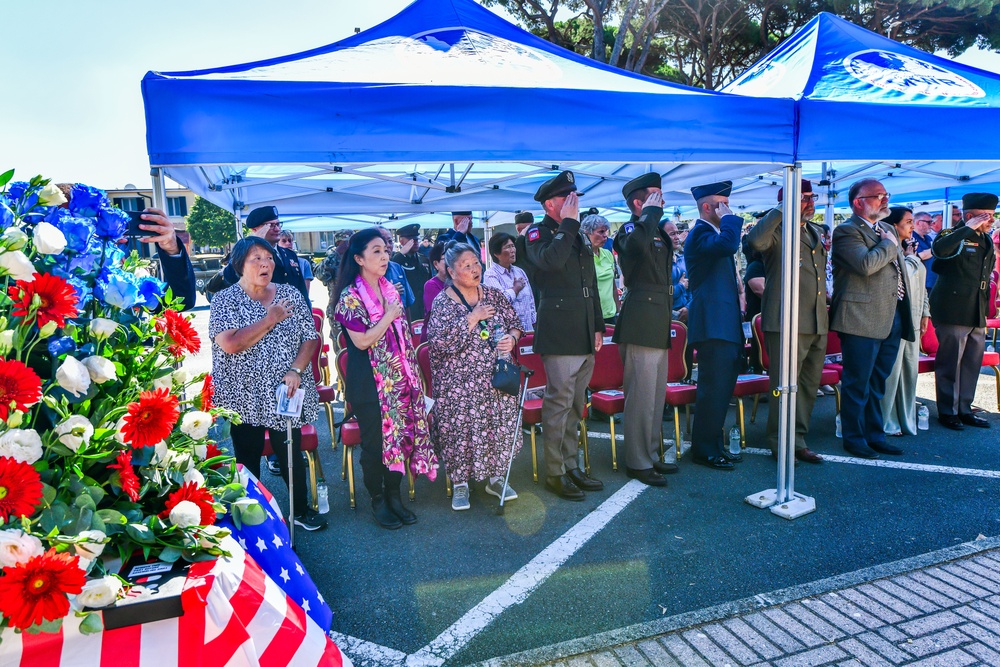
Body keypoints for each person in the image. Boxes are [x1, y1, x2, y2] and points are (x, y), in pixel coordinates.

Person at [209, 237, 327, 531]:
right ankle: (252, 518)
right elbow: (231, 344)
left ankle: (300, 510)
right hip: (243, 395)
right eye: (256, 259)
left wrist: (297, 369)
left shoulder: (289, 294)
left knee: (289, 451)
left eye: (269, 258)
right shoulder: (225, 300)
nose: (266, 264)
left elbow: (309, 337)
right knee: (247, 456)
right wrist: (270, 318)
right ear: (239, 265)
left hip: (285, 391)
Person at [333, 228, 438, 529]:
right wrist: (388, 316)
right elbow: (363, 342)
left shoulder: (390, 288)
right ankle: (378, 499)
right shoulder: (350, 297)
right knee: (376, 443)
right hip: (369, 383)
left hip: (400, 379)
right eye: (376, 251)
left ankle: (395, 495)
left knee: (401, 438)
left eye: (386, 250)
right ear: (359, 258)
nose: (384, 255)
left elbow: (403, 339)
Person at [524, 170, 605, 500]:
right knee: (557, 405)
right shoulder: (536, 234)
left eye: (576, 198)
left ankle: (571, 465)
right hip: (560, 333)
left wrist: (598, 325)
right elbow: (551, 263)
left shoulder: (574, 233)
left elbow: (591, 286)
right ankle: (555, 472)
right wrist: (570, 224)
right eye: (567, 198)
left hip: (584, 330)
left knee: (575, 405)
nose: (574, 203)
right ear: (549, 204)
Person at [427, 243, 524, 510]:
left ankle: (495, 478)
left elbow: (516, 323)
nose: (474, 269)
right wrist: (472, 318)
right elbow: (439, 343)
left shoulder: (493, 295)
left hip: (495, 380)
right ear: (451, 271)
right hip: (457, 385)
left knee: (497, 428)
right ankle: (460, 484)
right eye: (466, 265)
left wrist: (511, 340)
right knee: (460, 431)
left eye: (476, 263)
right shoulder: (443, 301)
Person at [745, 179, 828, 464]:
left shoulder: (814, 230)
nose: (809, 202)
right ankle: (779, 441)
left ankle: (798, 439)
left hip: (815, 319)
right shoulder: (777, 230)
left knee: (807, 384)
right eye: (801, 198)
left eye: (810, 197)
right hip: (786, 320)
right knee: (784, 384)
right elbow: (755, 241)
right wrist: (782, 208)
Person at [831, 178, 915, 459]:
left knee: (878, 382)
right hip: (860, 318)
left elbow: (897, 273)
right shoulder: (846, 231)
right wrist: (891, 245)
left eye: (886, 195)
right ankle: (854, 438)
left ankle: (875, 434)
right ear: (858, 202)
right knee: (858, 383)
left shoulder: (887, 228)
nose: (885, 200)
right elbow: (866, 265)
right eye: (878, 196)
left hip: (891, 315)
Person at [613, 172, 676, 487]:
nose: (660, 200)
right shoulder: (630, 229)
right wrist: (649, 214)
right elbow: (635, 245)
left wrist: (652, 217)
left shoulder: (657, 231)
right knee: (640, 396)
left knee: (655, 395)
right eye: (654, 195)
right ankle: (637, 461)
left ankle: (650, 454)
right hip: (640, 322)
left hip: (658, 320)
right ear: (638, 202)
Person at [685, 181, 744, 471]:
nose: (727, 209)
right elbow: (730, 244)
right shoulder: (700, 233)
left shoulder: (711, 232)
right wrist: (731, 219)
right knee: (712, 389)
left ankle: (714, 444)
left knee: (721, 390)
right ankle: (704, 449)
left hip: (722, 324)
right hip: (712, 326)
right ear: (707, 207)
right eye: (722, 204)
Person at [930, 192, 998, 430]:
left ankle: (965, 408)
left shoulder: (986, 239)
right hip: (953, 308)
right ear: (970, 216)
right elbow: (940, 251)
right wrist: (967, 229)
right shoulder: (952, 235)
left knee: (971, 362)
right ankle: (947, 411)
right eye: (987, 216)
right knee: (950, 362)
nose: (991, 220)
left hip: (976, 308)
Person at [881, 207, 929, 436]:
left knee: (910, 369)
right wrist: (912, 258)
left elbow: (921, 287)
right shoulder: (888, 248)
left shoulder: (908, 249)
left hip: (913, 316)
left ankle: (905, 416)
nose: (912, 225)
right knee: (892, 372)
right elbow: (906, 278)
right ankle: (887, 420)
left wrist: (925, 313)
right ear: (894, 225)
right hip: (894, 317)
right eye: (908, 221)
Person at [220, 206, 311, 309]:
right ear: (255, 229)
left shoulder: (290, 255)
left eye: (278, 224)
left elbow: (302, 291)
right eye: (271, 225)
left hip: (293, 317)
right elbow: (230, 276)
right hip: (264, 318)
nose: (277, 229)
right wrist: (254, 241)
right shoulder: (246, 255)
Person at [483, 232, 536, 332]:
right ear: (496, 253)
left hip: (528, 330)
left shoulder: (519, 271)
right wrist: (515, 289)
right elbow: (499, 301)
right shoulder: (490, 275)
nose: (513, 250)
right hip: (507, 334)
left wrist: (534, 324)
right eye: (508, 247)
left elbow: (531, 302)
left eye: (513, 246)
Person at [582, 214, 621, 324]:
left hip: (610, 314)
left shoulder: (607, 254)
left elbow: (613, 286)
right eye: (601, 232)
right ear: (587, 232)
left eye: (606, 232)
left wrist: (618, 311)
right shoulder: (582, 256)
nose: (605, 236)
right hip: (592, 315)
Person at [391, 223, 433, 321]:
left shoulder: (423, 259)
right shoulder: (397, 260)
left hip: (423, 308)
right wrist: (401, 254)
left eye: (416, 239)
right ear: (401, 242)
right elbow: (392, 269)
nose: (415, 242)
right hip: (408, 310)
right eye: (411, 240)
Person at [376, 227, 416, 315]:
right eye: (383, 241)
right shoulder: (366, 272)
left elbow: (407, 305)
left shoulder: (397, 268)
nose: (387, 246)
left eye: (390, 241)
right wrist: (388, 292)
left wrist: (408, 328)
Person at [662, 221, 690, 323]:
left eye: (678, 233)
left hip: (687, 315)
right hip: (667, 316)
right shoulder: (658, 265)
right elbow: (661, 294)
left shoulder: (683, 259)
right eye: (672, 234)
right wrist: (681, 286)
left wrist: (688, 307)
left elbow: (692, 287)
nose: (677, 237)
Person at [912, 211, 938, 291]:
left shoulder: (928, 238)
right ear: (918, 223)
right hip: (921, 283)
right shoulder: (911, 238)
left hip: (932, 281)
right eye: (929, 222)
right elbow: (920, 255)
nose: (932, 225)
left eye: (932, 222)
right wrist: (938, 248)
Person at [423, 241, 449, 318]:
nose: (450, 262)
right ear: (435, 264)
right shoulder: (431, 285)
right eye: (446, 259)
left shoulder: (459, 283)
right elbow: (439, 314)